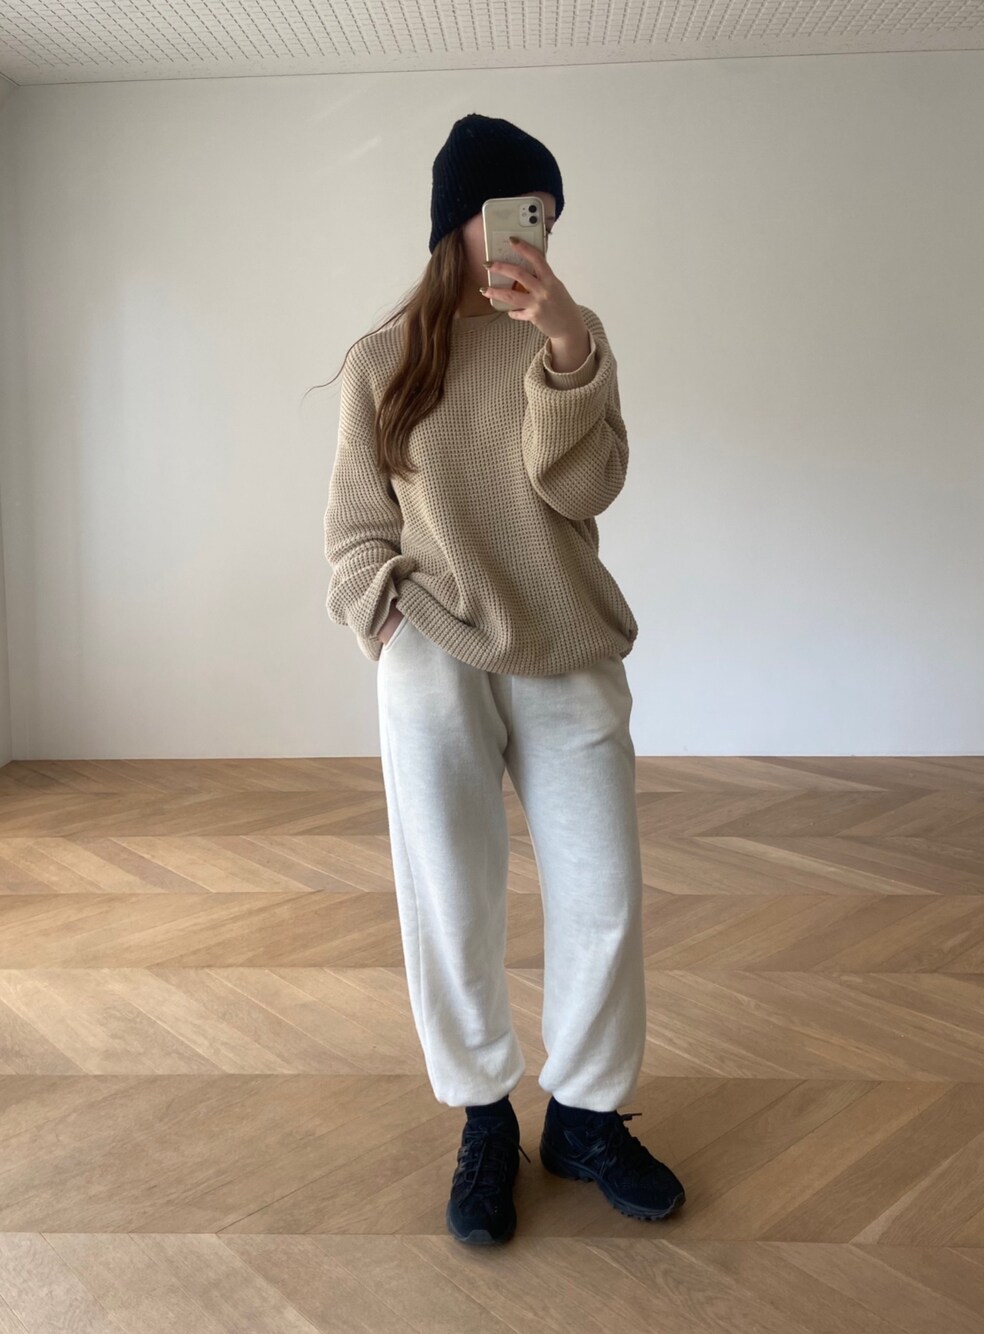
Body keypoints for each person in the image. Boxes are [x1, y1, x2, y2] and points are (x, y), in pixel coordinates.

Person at [323, 113, 685, 1246]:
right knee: (450, 890)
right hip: (434, 645)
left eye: (547, 222)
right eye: (517, 213)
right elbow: (354, 530)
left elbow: (581, 491)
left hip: (565, 641)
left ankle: (583, 1117)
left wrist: (567, 346)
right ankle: (484, 1114)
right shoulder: (383, 359)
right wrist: (387, 618)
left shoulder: (568, 338)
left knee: (603, 890)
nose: (534, 238)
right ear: (459, 221)